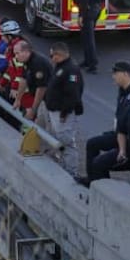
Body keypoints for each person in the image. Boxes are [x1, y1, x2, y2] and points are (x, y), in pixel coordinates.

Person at [79, 60, 130, 186]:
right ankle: (92, 180)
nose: (113, 76)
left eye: (116, 73)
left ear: (126, 74)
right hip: (119, 133)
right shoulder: (122, 90)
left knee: (100, 163)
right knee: (92, 144)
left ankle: (103, 187)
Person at [43, 42, 84, 176]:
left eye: (52, 55)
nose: (51, 58)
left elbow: (73, 94)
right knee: (59, 139)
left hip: (63, 113)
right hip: (56, 111)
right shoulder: (61, 67)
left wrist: (65, 112)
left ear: (58, 55)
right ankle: (63, 164)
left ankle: (71, 172)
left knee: (67, 142)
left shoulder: (71, 69)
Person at [71, 0, 105, 74]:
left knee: (89, 38)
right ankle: (87, 60)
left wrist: (81, 15)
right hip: (97, 8)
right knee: (86, 36)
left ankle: (92, 64)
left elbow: (84, 0)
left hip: (89, 11)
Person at [13, 40, 52, 122]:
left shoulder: (38, 63)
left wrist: (33, 110)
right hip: (43, 101)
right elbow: (23, 80)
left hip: (51, 101)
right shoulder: (27, 61)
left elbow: (41, 89)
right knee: (40, 125)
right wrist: (18, 100)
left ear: (26, 52)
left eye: (17, 53)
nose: (16, 57)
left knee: (50, 129)